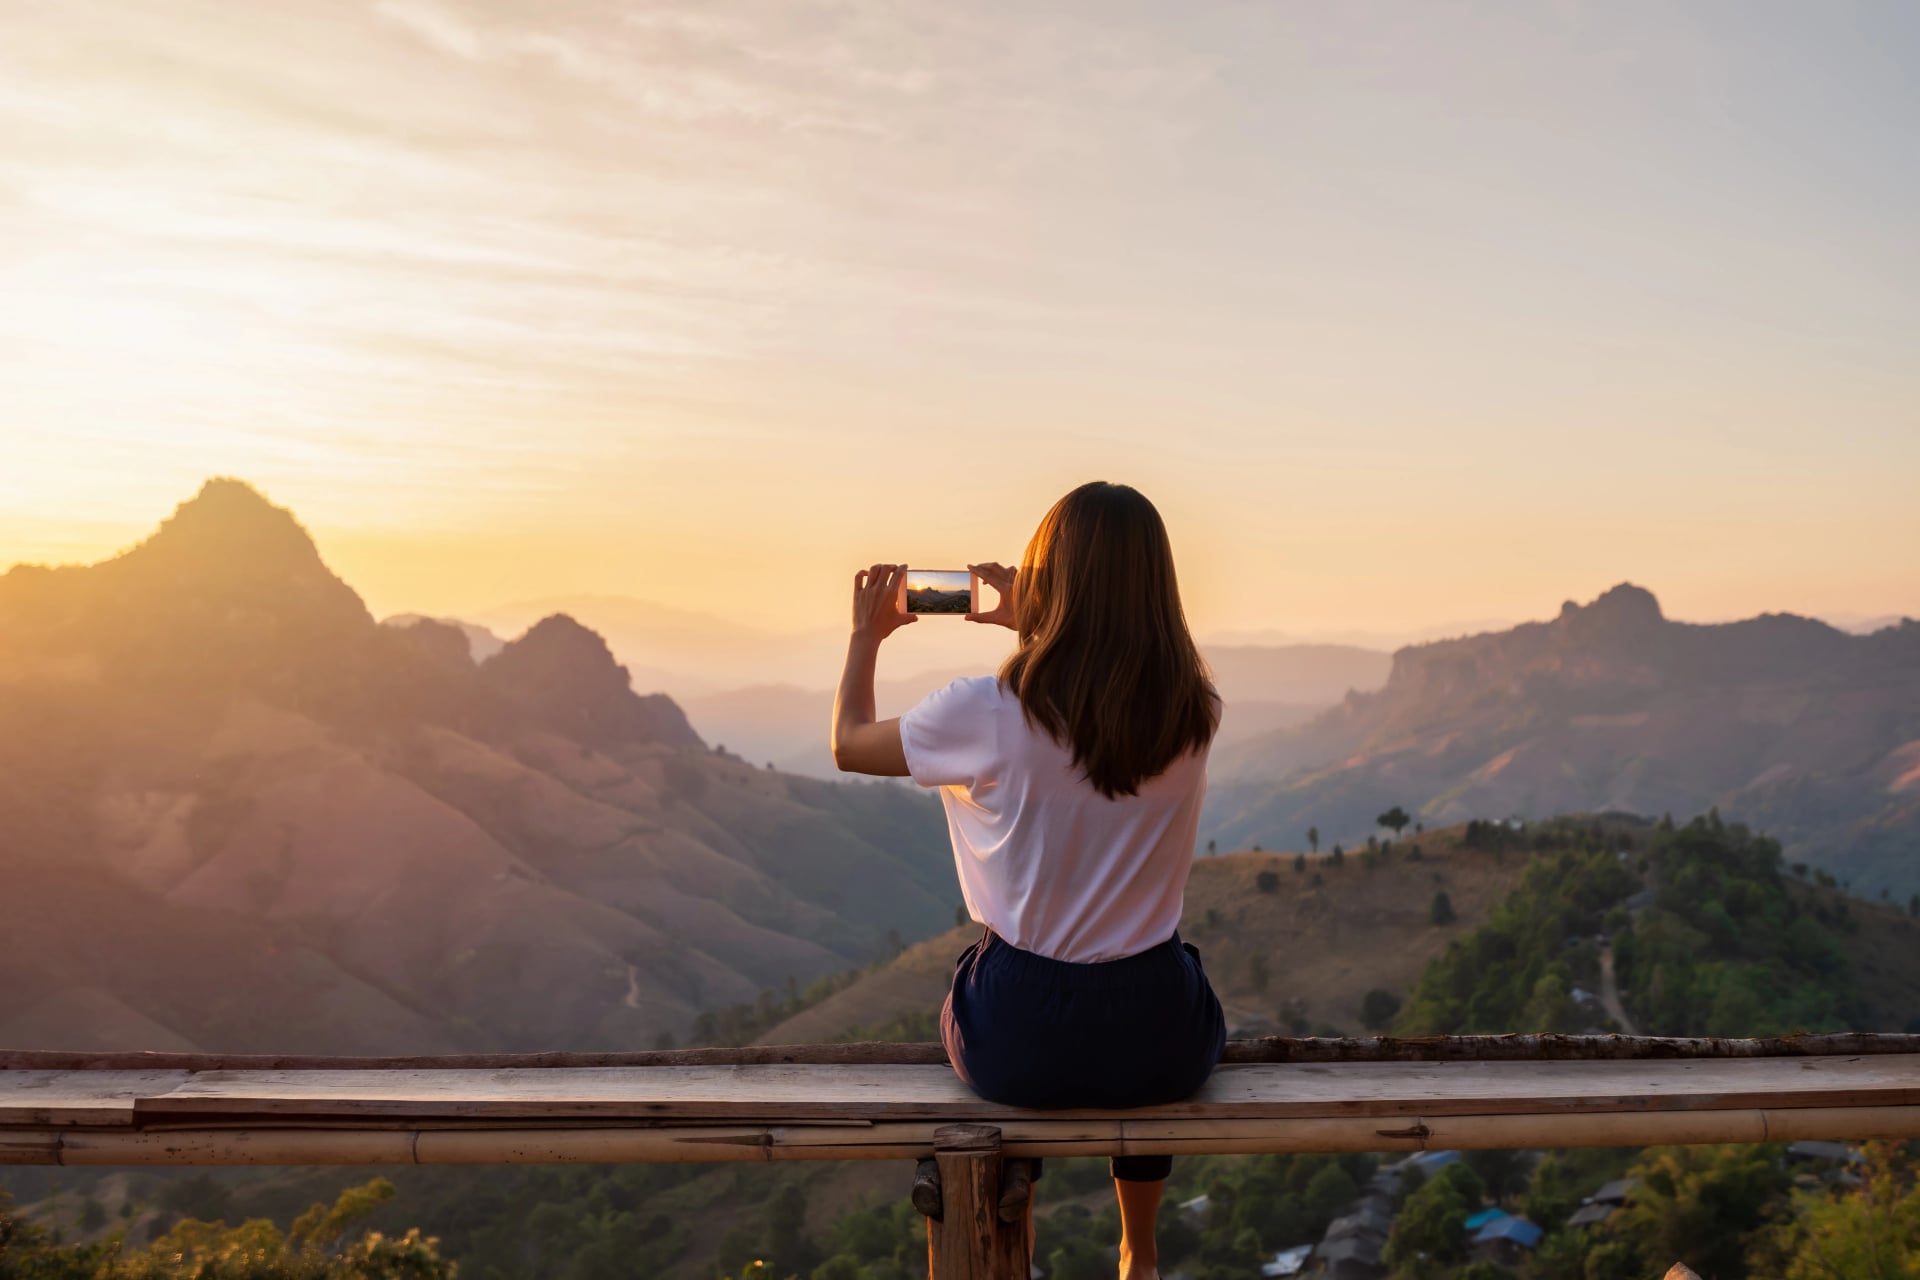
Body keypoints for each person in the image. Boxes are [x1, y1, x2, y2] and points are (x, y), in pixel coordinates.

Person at [831, 481, 1226, 1280]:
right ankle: (1138, 1252)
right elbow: (1092, 716)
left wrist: (865, 638)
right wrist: (1040, 627)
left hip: (1022, 1033)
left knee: (987, 975)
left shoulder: (982, 709)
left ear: (1051, 577)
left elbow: (849, 743)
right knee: (1170, 960)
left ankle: (1021, 1241)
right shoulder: (1193, 709)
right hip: (1156, 1033)